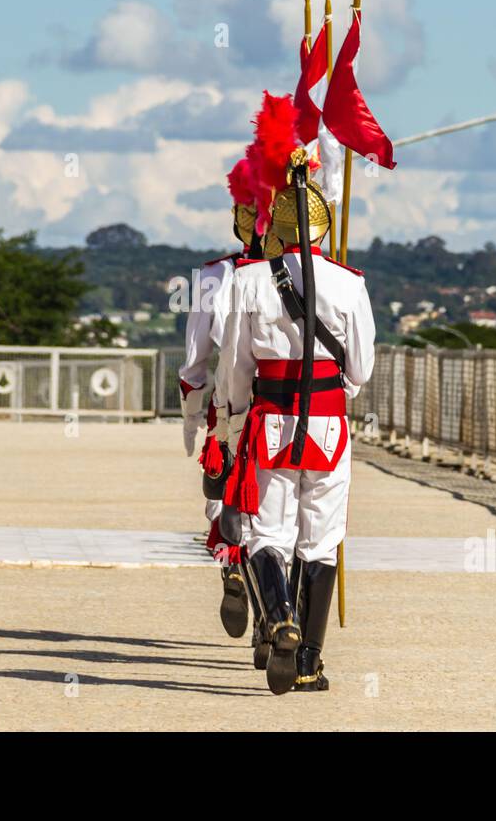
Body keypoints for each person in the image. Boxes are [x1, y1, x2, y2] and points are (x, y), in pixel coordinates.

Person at [218, 93, 376, 695]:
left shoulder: (248, 281)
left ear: (274, 224)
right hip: (330, 424)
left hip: (272, 420)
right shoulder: (350, 284)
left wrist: (234, 415)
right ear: (324, 223)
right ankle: (308, 659)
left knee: (268, 533)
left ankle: (277, 615)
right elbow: (360, 366)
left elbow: (235, 363)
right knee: (322, 537)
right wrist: (340, 391)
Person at [179, 199, 270, 652]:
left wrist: (192, 415)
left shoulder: (215, 275)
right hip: (286, 405)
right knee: (277, 519)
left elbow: (195, 358)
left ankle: (235, 570)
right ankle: (272, 619)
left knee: (227, 510)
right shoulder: (315, 273)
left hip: (227, 408)